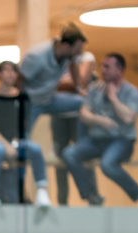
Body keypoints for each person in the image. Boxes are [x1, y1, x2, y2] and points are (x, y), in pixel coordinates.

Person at [61, 53, 138, 207]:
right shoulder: (95, 89)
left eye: (107, 67)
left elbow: (129, 118)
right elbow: (84, 113)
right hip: (96, 140)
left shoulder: (131, 91)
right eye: (103, 66)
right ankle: (90, 195)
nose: (103, 70)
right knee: (69, 153)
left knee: (107, 165)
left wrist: (113, 98)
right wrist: (99, 120)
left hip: (121, 141)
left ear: (120, 70)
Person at [0, 60, 51, 207]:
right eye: (6, 70)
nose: (10, 74)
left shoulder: (23, 98)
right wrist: (6, 145)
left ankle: (42, 191)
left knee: (35, 149)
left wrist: (15, 143)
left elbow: (24, 125)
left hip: (16, 142)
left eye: (13, 71)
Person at [18, 22, 88, 134]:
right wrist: (21, 103)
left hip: (50, 98)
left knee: (86, 102)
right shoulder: (37, 56)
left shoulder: (69, 55)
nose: (80, 53)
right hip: (32, 102)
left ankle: (82, 144)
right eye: (78, 49)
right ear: (66, 46)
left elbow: (73, 65)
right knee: (24, 134)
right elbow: (20, 79)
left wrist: (79, 89)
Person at [49, 46, 95, 206]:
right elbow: (49, 84)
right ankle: (62, 201)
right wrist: (70, 85)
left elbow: (80, 83)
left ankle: (92, 195)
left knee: (84, 155)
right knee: (60, 158)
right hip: (58, 115)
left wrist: (63, 84)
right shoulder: (54, 60)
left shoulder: (87, 57)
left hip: (79, 116)